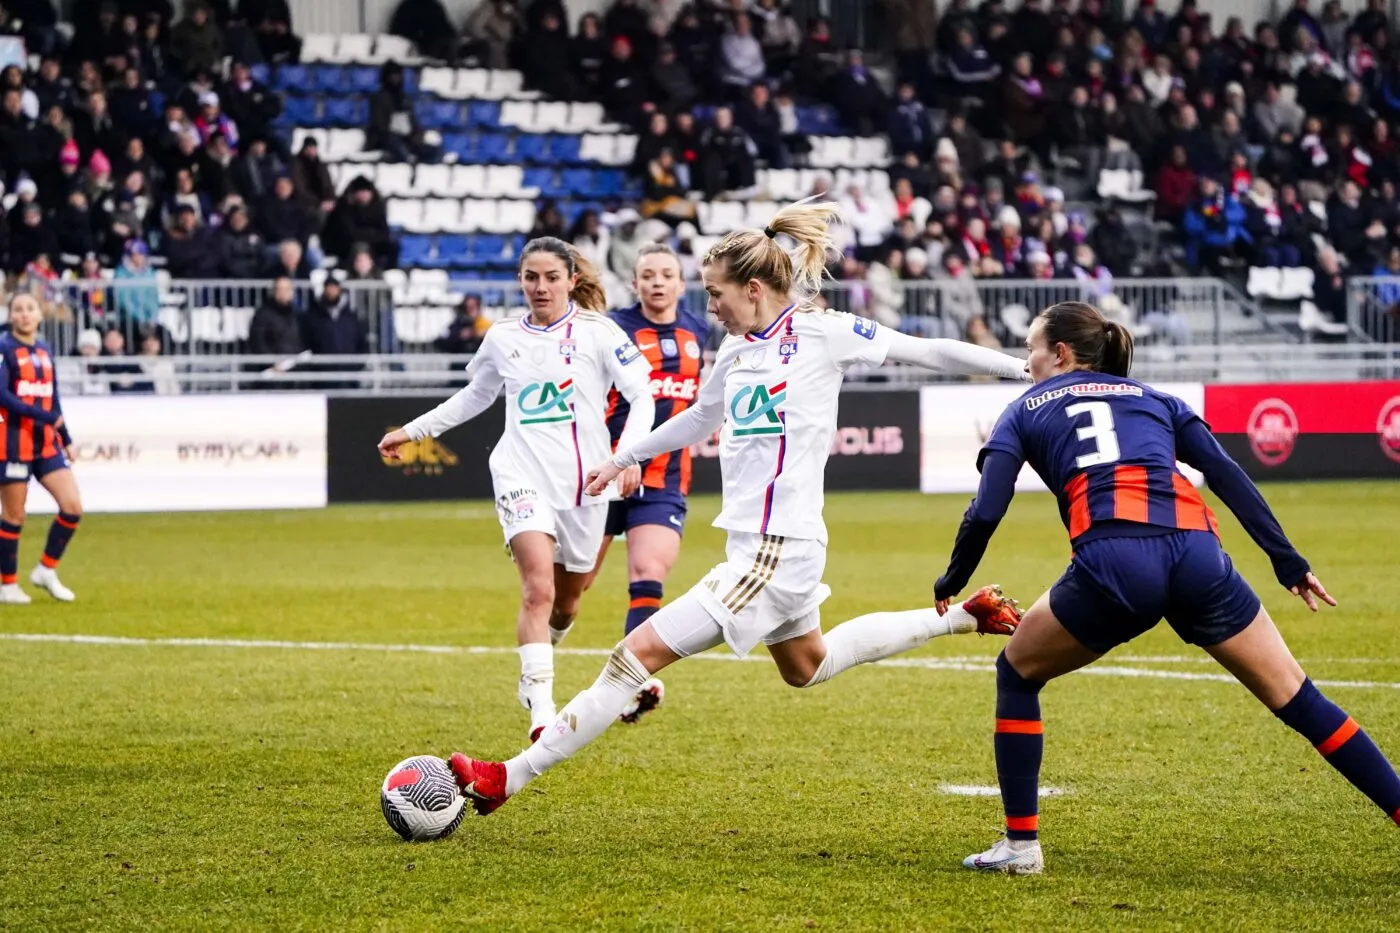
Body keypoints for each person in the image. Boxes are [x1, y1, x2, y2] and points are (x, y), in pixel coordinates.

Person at [441, 200, 1030, 814]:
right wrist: (625, 456)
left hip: (776, 550)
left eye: (715, 293)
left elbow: (928, 351)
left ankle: (507, 777)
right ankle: (964, 617)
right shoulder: (736, 347)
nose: (710, 306)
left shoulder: (824, 333)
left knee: (632, 656)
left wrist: (1021, 370)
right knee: (808, 665)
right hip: (762, 546)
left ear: (753, 289)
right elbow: (700, 416)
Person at [932, 301, 1400, 875]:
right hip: (1199, 553)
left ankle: (1021, 847)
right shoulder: (1155, 398)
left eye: (1031, 348)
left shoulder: (1023, 408)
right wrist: (1287, 561)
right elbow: (1227, 473)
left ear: (1059, 353)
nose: (1025, 361)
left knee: (1017, 671)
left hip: (1116, 559)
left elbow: (986, 510)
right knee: (1299, 699)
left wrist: (952, 579)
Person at [376, 238, 658, 743]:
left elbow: (643, 396)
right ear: (520, 281)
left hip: (586, 482)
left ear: (572, 280)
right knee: (537, 589)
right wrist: (413, 430)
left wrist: (627, 455)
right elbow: (475, 396)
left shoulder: (600, 332)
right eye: (531, 277)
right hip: (520, 473)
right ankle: (542, 709)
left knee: (568, 602)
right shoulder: (503, 337)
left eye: (551, 277)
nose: (540, 287)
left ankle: (542, 656)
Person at [580, 244, 708, 723]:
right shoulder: (615, 329)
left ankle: (632, 686)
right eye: (648, 275)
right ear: (634, 284)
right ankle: (542, 658)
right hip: (602, 472)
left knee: (647, 574)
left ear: (680, 283)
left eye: (667, 274)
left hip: (665, 478)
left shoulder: (697, 328)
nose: (657, 282)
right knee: (574, 587)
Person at [0, 293, 82, 604]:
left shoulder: (45, 350)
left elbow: (54, 398)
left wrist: (67, 437)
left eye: (29, 309)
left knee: (72, 506)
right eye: (18, 309)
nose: (24, 314)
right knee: (14, 515)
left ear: (39, 315)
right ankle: (8, 585)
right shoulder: (3, 348)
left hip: (45, 443)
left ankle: (46, 569)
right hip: (11, 443)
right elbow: (2, 396)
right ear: (11, 316)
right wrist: (44, 416)